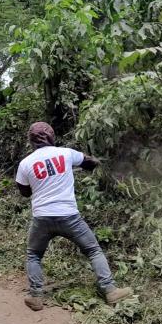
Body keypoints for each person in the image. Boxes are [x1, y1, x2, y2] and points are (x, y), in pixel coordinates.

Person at [15, 122, 132, 311]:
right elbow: (90, 162)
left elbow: (25, 192)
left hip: (42, 219)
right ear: (51, 136)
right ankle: (110, 290)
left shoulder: (25, 163)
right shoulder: (66, 154)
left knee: (34, 255)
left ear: (31, 141)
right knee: (93, 250)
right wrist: (93, 164)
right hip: (69, 216)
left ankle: (36, 296)